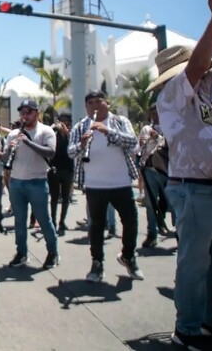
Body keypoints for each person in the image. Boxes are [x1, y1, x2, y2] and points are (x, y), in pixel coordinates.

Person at [149, 0, 212, 351]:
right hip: (193, 187)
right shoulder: (174, 91)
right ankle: (186, 327)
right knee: (194, 261)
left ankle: (207, 321)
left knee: (211, 261)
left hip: (209, 185)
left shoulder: (210, 88)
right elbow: (197, 66)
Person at [67, 90, 144, 283]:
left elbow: (132, 141)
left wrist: (107, 130)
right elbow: (70, 152)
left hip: (121, 183)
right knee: (96, 226)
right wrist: (81, 145)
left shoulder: (120, 121)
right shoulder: (80, 126)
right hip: (94, 185)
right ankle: (97, 263)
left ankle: (128, 255)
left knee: (130, 221)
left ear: (107, 103)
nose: (95, 105)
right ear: (86, 107)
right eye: (90, 103)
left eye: (98, 101)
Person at [3, 99, 59, 269]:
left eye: (29, 112)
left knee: (43, 220)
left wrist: (28, 142)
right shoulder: (13, 134)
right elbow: (5, 158)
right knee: (19, 221)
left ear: (37, 113)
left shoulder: (46, 131)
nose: (25, 116)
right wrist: (8, 150)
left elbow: (50, 152)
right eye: (22, 112)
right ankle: (21, 253)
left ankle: (53, 252)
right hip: (17, 182)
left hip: (38, 181)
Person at [136, 103, 170, 248]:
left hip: (167, 170)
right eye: (153, 113)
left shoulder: (170, 127)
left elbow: (173, 145)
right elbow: (140, 148)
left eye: (158, 112)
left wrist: (159, 138)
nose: (155, 115)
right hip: (149, 170)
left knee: (172, 204)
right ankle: (152, 234)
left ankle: (178, 234)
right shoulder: (146, 128)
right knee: (150, 204)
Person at [48, 113, 74, 236]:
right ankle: (52, 221)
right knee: (54, 196)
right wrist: (55, 127)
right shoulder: (53, 133)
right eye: (61, 121)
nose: (64, 124)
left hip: (68, 169)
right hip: (55, 169)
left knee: (66, 197)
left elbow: (75, 147)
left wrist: (67, 133)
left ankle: (62, 221)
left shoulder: (72, 134)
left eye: (66, 121)